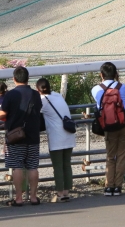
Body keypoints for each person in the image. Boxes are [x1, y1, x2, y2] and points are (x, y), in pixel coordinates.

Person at [0, 67, 42, 206]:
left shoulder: (11, 95)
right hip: (33, 135)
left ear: (14, 79)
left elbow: (3, 114)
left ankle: (19, 198)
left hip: (15, 136)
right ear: (28, 78)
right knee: (33, 166)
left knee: (17, 166)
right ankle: (34, 198)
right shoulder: (35, 94)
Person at [91, 62, 125, 197]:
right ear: (116, 74)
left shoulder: (96, 89)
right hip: (124, 124)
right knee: (122, 155)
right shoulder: (123, 87)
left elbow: (99, 106)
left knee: (110, 156)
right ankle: (118, 187)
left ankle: (109, 187)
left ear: (101, 75)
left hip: (108, 125)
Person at [37, 77, 76, 202]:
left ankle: (60, 194)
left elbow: (34, 111)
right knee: (66, 165)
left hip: (56, 137)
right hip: (69, 135)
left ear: (38, 90)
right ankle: (66, 192)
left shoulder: (43, 100)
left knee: (58, 166)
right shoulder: (57, 95)